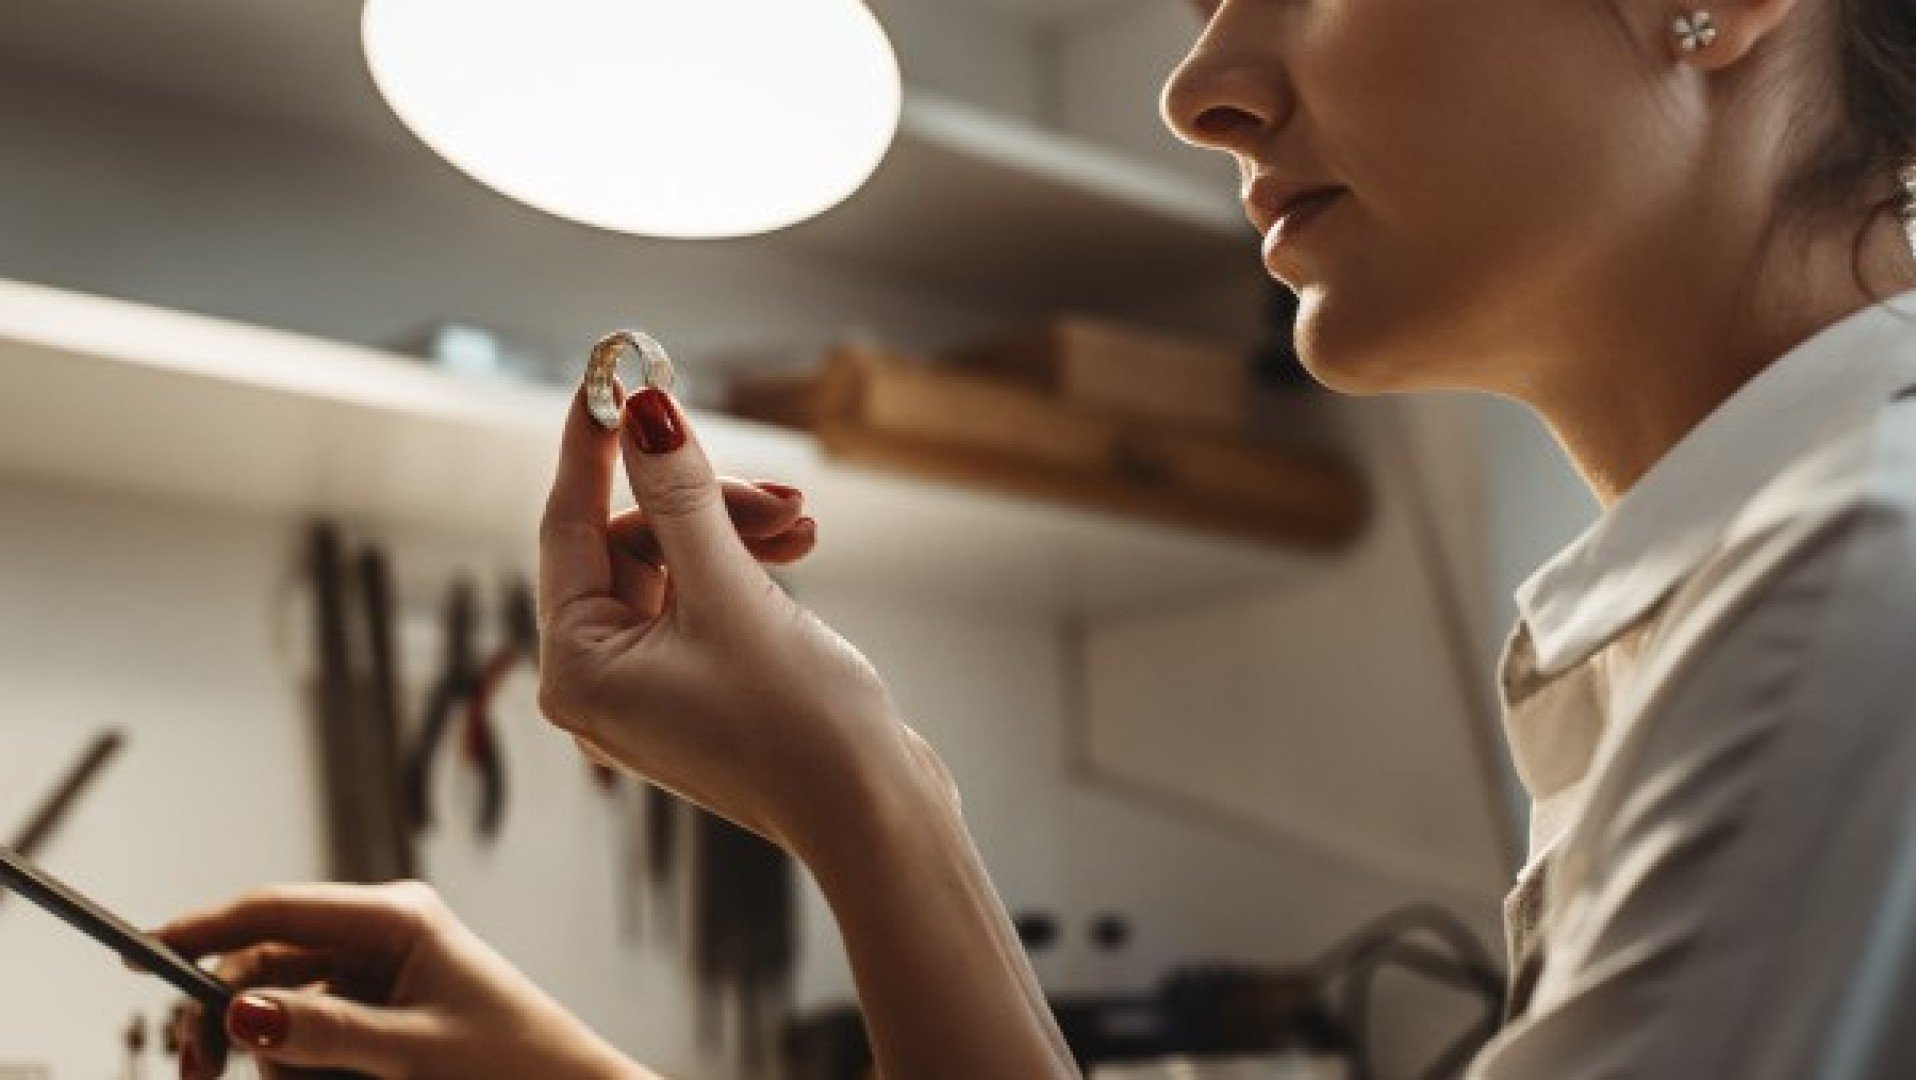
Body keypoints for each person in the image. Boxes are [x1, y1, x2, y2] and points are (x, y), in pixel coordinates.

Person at [157, 0, 1916, 1075]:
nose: (1200, 87)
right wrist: (867, 794)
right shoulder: (1767, 590)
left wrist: (862, 802)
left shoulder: (1852, 585)